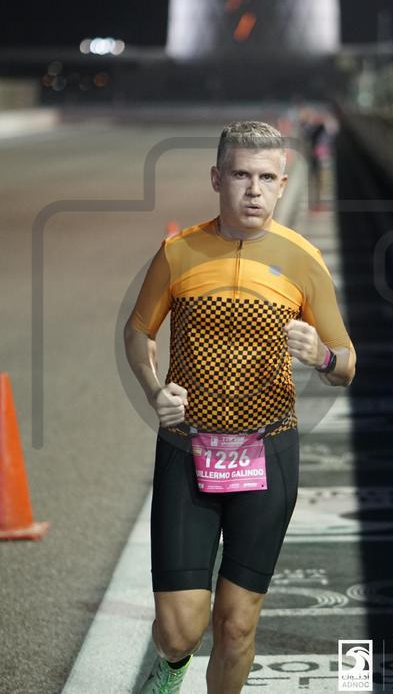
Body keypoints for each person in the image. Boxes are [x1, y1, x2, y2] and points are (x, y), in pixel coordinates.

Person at [124, 120, 357, 693]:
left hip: (267, 454)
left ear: (283, 184)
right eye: (240, 175)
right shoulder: (178, 252)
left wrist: (322, 355)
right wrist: (154, 389)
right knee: (179, 631)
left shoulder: (302, 260)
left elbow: (348, 365)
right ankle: (171, 669)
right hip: (187, 451)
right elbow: (138, 332)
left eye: (266, 178)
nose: (254, 190)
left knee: (236, 625)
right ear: (217, 178)